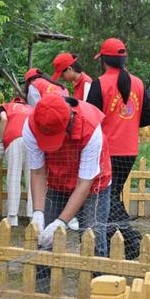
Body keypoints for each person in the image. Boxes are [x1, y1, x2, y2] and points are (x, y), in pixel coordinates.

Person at [86, 37, 150, 259]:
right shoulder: (137, 83)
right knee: (113, 195)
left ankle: (130, 238)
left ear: (104, 60)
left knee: (109, 197)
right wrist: (128, 123)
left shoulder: (100, 83)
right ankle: (117, 240)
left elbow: (89, 117)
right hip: (129, 150)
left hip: (107, 151)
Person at [23, 94, 111, 257]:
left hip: (93, 185)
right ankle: (42, 280)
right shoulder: (30, 126)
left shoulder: (90, 127)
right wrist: (37, 213)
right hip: (57, 181)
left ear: (68, 122)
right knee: (43, 238)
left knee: (92, 237)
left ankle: (98, 280)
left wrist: (62, 222)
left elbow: (84, 183)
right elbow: (38, 172)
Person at [0, 90, 32, 227]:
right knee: (32, 179)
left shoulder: (6, 106)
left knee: (14, 176)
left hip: (14, 140)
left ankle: (12, 217)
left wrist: (0, 142)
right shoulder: (31, 108)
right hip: (32, 141)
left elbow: (4, 119)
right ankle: (33, 216)